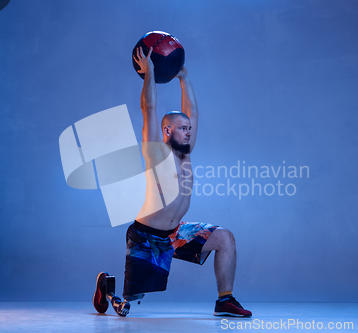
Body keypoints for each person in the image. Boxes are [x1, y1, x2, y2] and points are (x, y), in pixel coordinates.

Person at [94, 47, 252, 318]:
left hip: (176, 234)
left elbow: (194, 113)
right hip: (146, 236)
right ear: (167, 131)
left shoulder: (187, 154)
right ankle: (105, 287)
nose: (189, 131)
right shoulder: (156, 153)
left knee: (225, 237)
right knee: (131, 300)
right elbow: (149, 108)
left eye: (189, 129)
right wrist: (150, 74)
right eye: (183, 128)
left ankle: (225, 300)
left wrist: (184, 77)